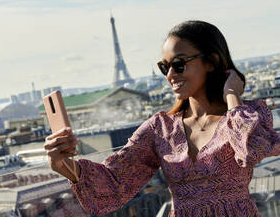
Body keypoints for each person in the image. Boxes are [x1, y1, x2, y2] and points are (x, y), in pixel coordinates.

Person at [43, 20, 280, 216]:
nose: (169, 75)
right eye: (164, 66)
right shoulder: (160, 129)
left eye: (178, 64)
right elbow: (114, 184)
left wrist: (231, 95)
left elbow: (252, 149)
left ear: (212, 62)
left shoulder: (247, 114)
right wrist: (63, 164)